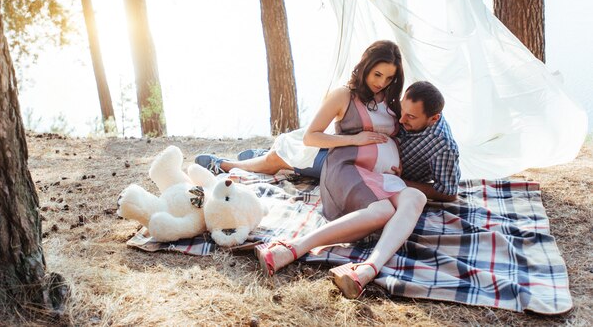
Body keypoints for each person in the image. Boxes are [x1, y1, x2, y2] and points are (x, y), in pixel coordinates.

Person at [251, 40, 429, 299]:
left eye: (389, 77)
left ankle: (367, 269)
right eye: (377, 74)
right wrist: (354, 139)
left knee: (417, 197)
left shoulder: (391, 101)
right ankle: (292, 248)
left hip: (381, 177)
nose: (381, 82)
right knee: (383, 210)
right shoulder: (344, 95)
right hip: (346, 168)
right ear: (365, 66)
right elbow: (311, 137)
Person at [196, 80, 460, 202]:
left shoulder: (443, 146)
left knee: (281, 159)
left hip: (368, 171)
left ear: (433, 118)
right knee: (301, 142)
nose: (401, 122)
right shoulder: (405, 112)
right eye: (402, 113)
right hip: (355, 152)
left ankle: (226, 165)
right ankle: (265, 156)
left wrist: (402, 183)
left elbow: (448, 192)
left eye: (411, 118)